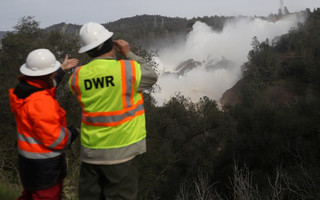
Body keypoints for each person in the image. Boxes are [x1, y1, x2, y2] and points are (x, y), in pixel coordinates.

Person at [69, 22, 158, 200]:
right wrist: (128, 53)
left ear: (87, 51)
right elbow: (151, 75)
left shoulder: (77, 76)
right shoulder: (127, 69)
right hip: (121, 156)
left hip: (91, 155)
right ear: (111, 45)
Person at [9, 48, 80, 200]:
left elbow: (46, 87)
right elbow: (56, 139)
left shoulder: (23, 91)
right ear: (46, 75)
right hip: (45, 168)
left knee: (28, 195)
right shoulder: (41, 102)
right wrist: (72, 132)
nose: (55, 73)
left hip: (28, 163)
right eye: (53, 71)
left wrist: (61, 69)